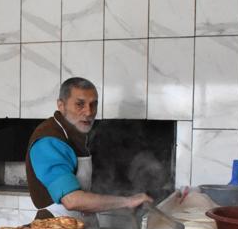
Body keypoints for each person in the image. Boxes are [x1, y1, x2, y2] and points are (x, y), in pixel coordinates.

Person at [25, 77, 152, 219]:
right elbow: (71, 200)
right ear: (61, 105)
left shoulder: (76, 134)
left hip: (80, 226)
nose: (89, 112)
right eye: (80, 104)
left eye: (93, 104)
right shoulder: (49, 141)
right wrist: (128, 202)